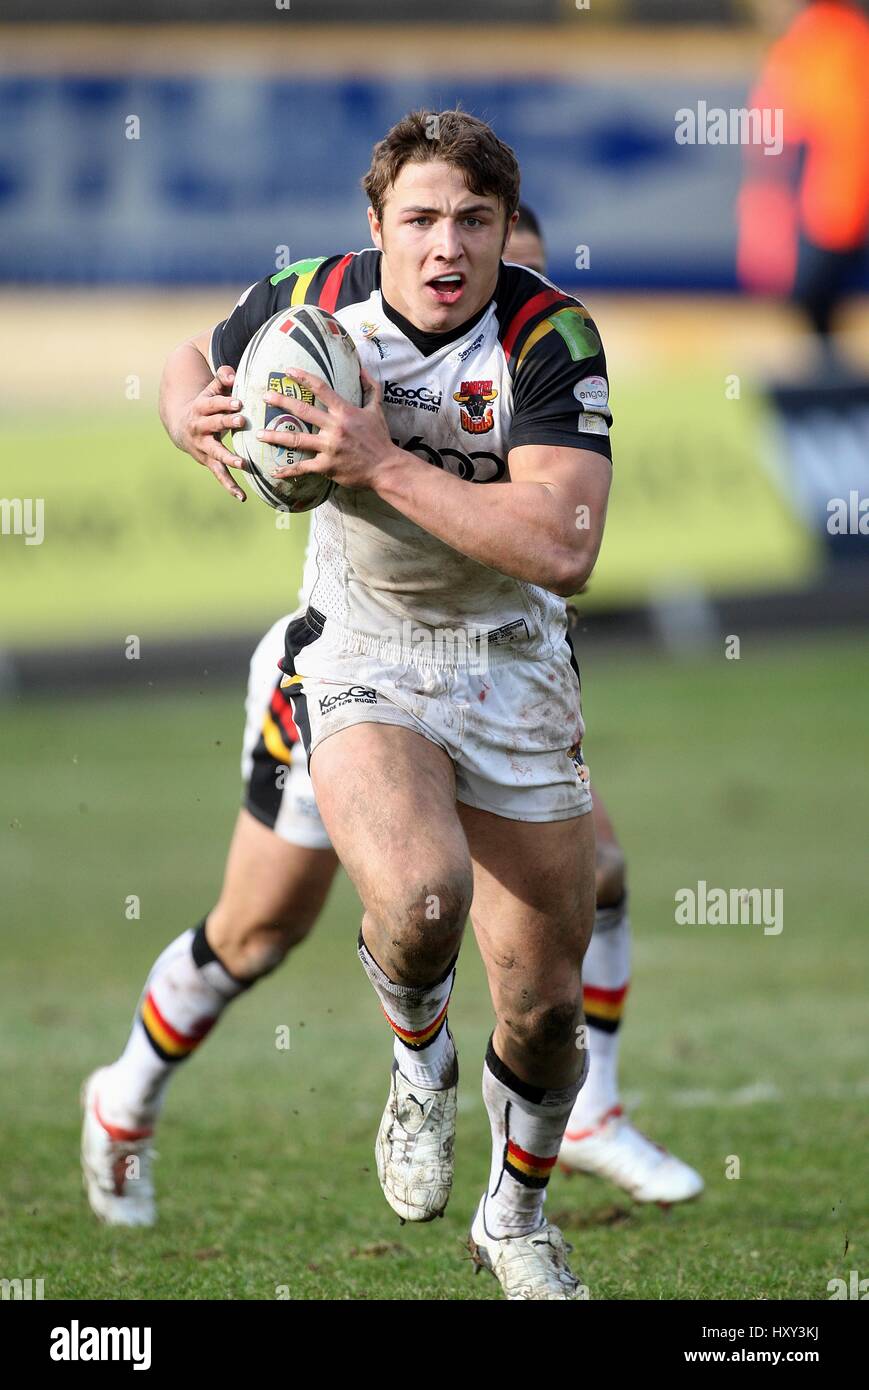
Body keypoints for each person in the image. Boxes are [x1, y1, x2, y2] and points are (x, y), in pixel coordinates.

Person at [79, 111, 662, 1299]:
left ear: (508, 234)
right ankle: (407, 1065)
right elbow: (195, 355)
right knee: (395, 901)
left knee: (543, 1010)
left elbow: (563, 547)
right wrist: (183, 410)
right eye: (421, 220)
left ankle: (515, 1216)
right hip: (359, 650)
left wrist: (375, 457)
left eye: (475, 223)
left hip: (510, 660)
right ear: (375, 227)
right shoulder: (316, 297)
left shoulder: (552, 338)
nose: (447, 247)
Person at [737, 0, 869, 350]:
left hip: (838, 201)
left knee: (812, 296)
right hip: (833, 201)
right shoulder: (820, 36)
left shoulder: (829, 36)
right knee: (813, 300)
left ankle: (831, 375)